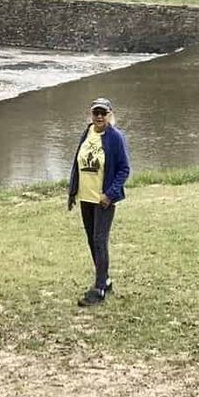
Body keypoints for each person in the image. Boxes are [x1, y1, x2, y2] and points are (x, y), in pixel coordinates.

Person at [67, 96, 130, 307]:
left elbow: (124, 169)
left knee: (100, 240)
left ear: (110, 115)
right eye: (96, 113)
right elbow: (77, 162)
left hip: (103, 200)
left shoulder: (115, 137)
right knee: (91, 240)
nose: (100, 116)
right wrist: (72, 191)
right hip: (85, 197)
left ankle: (99, 289)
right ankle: (105, 279)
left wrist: (110, 194)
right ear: (91, 114)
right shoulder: (87, 132)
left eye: (104, 113)